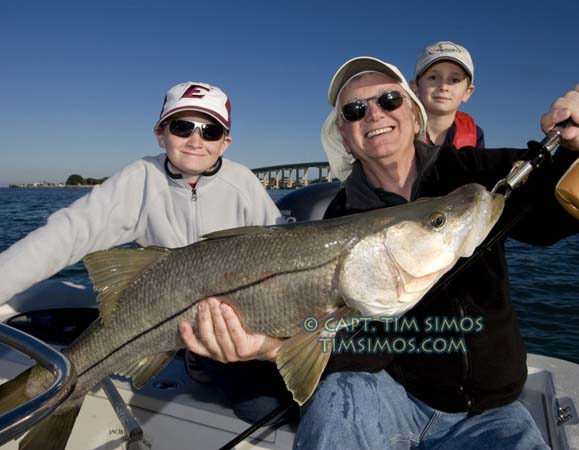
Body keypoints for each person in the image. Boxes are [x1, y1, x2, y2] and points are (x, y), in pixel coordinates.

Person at [180, 56, 579, 450]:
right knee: (336, 397)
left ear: (413, 111)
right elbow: (357, 350)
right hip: (393, 395)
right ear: (342, 131)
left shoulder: (474, 173)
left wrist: (575, 147)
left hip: (495, 411)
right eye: (355, 110)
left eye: (388, 100)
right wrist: (271, 348)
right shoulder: (341, 216)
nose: (373, 114)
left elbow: (552, 217)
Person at [0, 81, 289, 423]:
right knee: (262, 406)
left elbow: (281, 254)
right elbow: (66, 234)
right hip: (152, 314)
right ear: (160, 133)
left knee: (271, 405)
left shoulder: (243, 184)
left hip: (229, 322)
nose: (196, 140)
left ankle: (196, 359)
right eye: (182, 127)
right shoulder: (140, 179)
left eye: (210, 131)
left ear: (225, 142)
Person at [411, 41, 485, 149]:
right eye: (433, 77)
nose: (443, 87)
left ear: (467, 92)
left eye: (454, 80)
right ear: (415, 87)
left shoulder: (476, 135)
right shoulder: (398, 130)